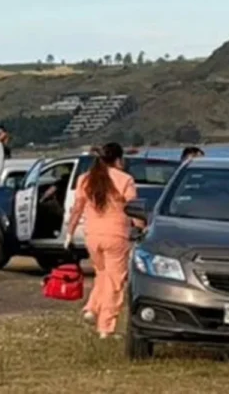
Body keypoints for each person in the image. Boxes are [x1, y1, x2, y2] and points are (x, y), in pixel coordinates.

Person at [65, 142, 143, 339]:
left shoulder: (85, 179)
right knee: (115, 281)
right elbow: (134, 209)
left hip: (92, 236)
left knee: (102, 274)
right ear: (118, 160)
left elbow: (77, 208)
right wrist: (142, 228)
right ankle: (106, 327)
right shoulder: (124, 179)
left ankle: (92, 307)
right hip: (116, 235)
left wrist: (69, 233)